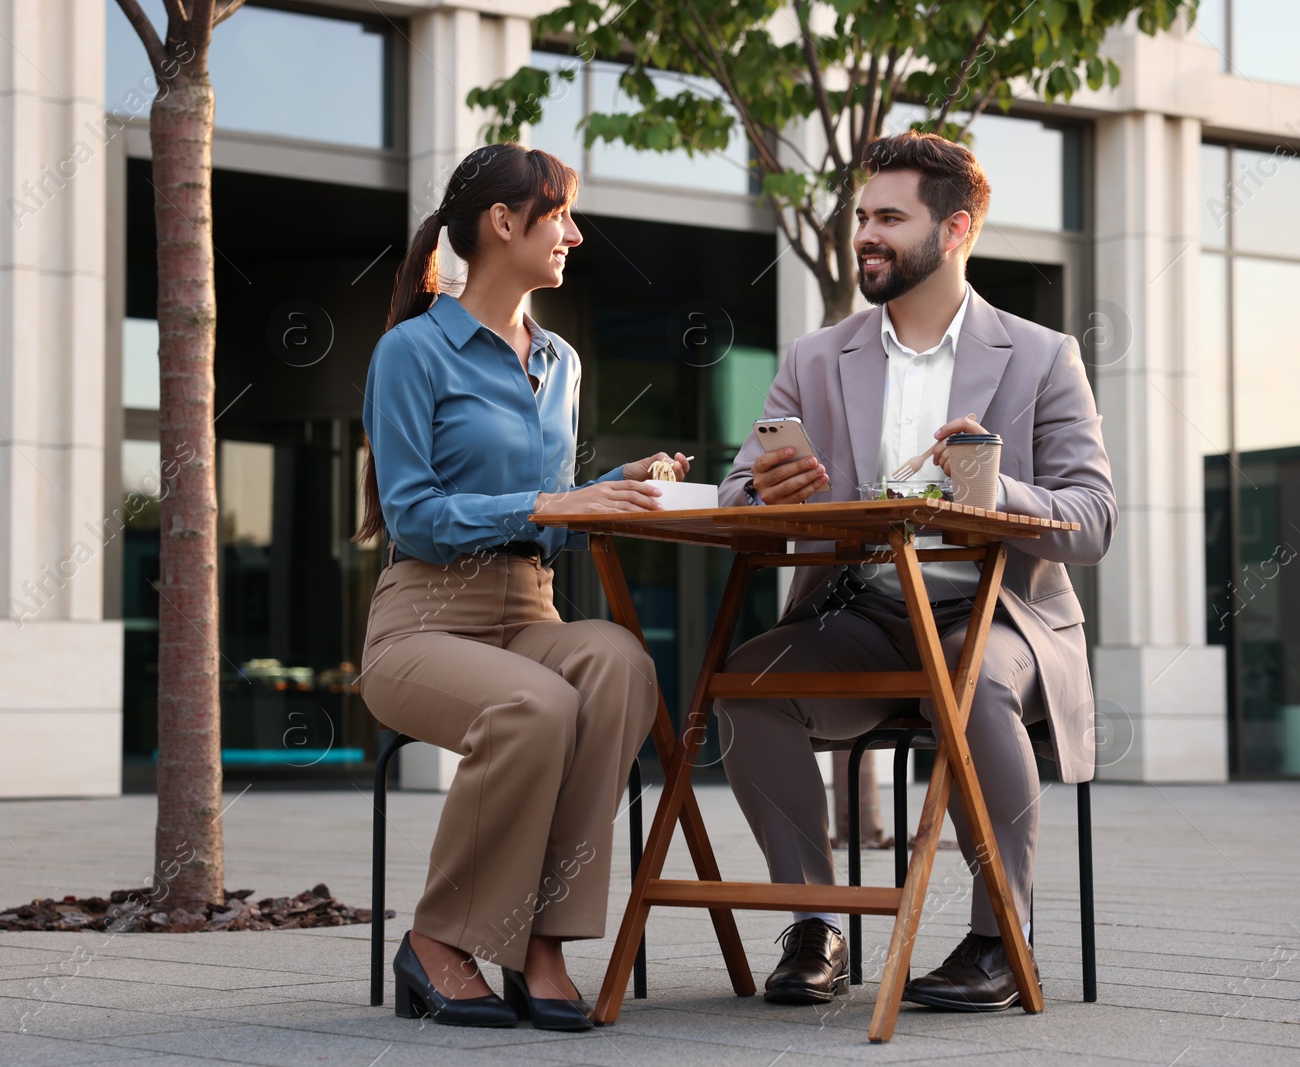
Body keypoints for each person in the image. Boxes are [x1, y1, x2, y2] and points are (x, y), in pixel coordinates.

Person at [716, 131, 1116, 1012]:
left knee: (969, 689)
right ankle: (816, 924)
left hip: (996, 614)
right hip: (863, 614)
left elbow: (1092, 519)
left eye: (889, 218)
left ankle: (997, 940)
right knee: (746, 686)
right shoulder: (817, 357)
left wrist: (992, 486)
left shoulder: (1043, 356)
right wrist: (764, 488)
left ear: (956, 228)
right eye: (863, 216)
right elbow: (738, 483)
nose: (866, 233)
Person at [356, 143, 680, 1030]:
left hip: (531, 608)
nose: (574, 234)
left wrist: (621, 485)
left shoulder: (560, 362)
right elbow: (414, 513)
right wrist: (548, 498)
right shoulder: (411, 352)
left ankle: (545, 937)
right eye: (560, 215)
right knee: (535, 705)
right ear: (504, 223)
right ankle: (438, 941)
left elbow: (547, 510)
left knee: (618, 663)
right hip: (423, 622)